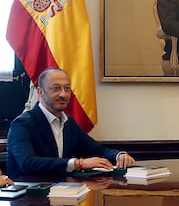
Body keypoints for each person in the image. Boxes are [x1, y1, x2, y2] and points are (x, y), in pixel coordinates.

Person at [7, 67, 136, 180]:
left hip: (63, 194)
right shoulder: (23, 124)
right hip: (30, 198)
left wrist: (119, 155)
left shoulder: (69, 123)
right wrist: (78, 163)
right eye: (56, 88)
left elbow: (97, 150)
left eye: (67, 88)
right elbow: (27, 163)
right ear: (41, 93)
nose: (63, 94)